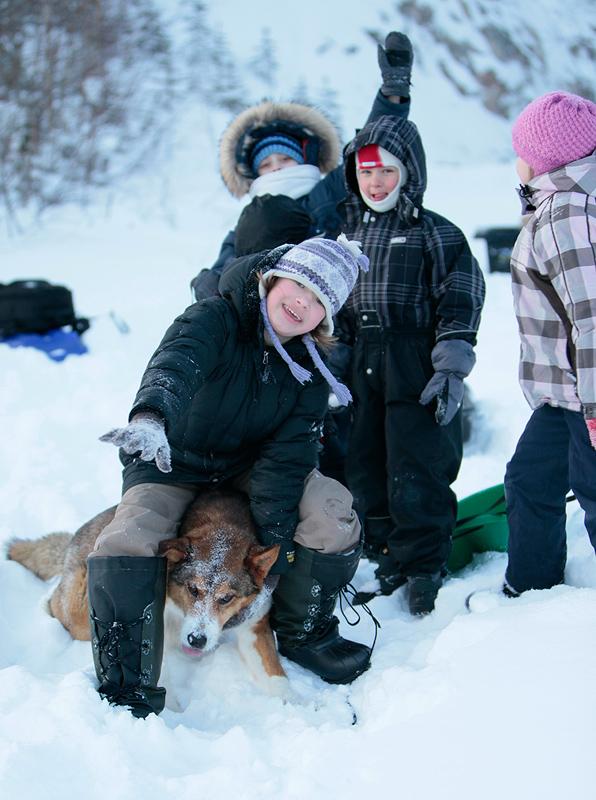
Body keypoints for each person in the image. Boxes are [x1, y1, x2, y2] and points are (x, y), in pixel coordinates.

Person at [89, 235, 371, 718]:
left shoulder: (308, 366)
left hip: (246, 471)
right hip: (170, 458)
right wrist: (152, 417)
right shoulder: (214, 317)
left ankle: (299, 631)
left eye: (319, 300)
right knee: (128, 539)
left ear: (326, 315)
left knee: (331, 512)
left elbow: (288, 459)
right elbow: (176, 363)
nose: (301, 303)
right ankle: (128, 684)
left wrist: (270, 561)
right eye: (299, 286)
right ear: (275, 278)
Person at [336, 115, 486, 615]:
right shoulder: (347, 233)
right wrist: (334, 363)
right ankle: (386, 557)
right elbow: (334, 305)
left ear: (409, 173)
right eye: (365, 173)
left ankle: (423, 565)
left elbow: (461, 300)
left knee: (416, 462)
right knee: (367, 462)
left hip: (415, 356)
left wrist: (449, 368)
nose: (374, 183)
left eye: (386, 172)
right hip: (363, 358)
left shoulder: (435, 233)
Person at [191, 32, 414, 301]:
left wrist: (393, 94)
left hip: (339, 316)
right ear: (254, 173)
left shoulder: (327, 193)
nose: (277, 169)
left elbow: (369, 145)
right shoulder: (248, 222)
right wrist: (210, 282)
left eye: (285, 159)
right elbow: (228, 273)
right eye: (266, 164)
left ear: (304, 160)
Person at [502, 91, 596, 597]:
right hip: (565, 392)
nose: (515, 159)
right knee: (530, 481)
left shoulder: (566, 213)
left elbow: (592, 316)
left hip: (586, 394)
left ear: (544, 157)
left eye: (520, 148)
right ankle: (529, 593)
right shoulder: (563, 203)